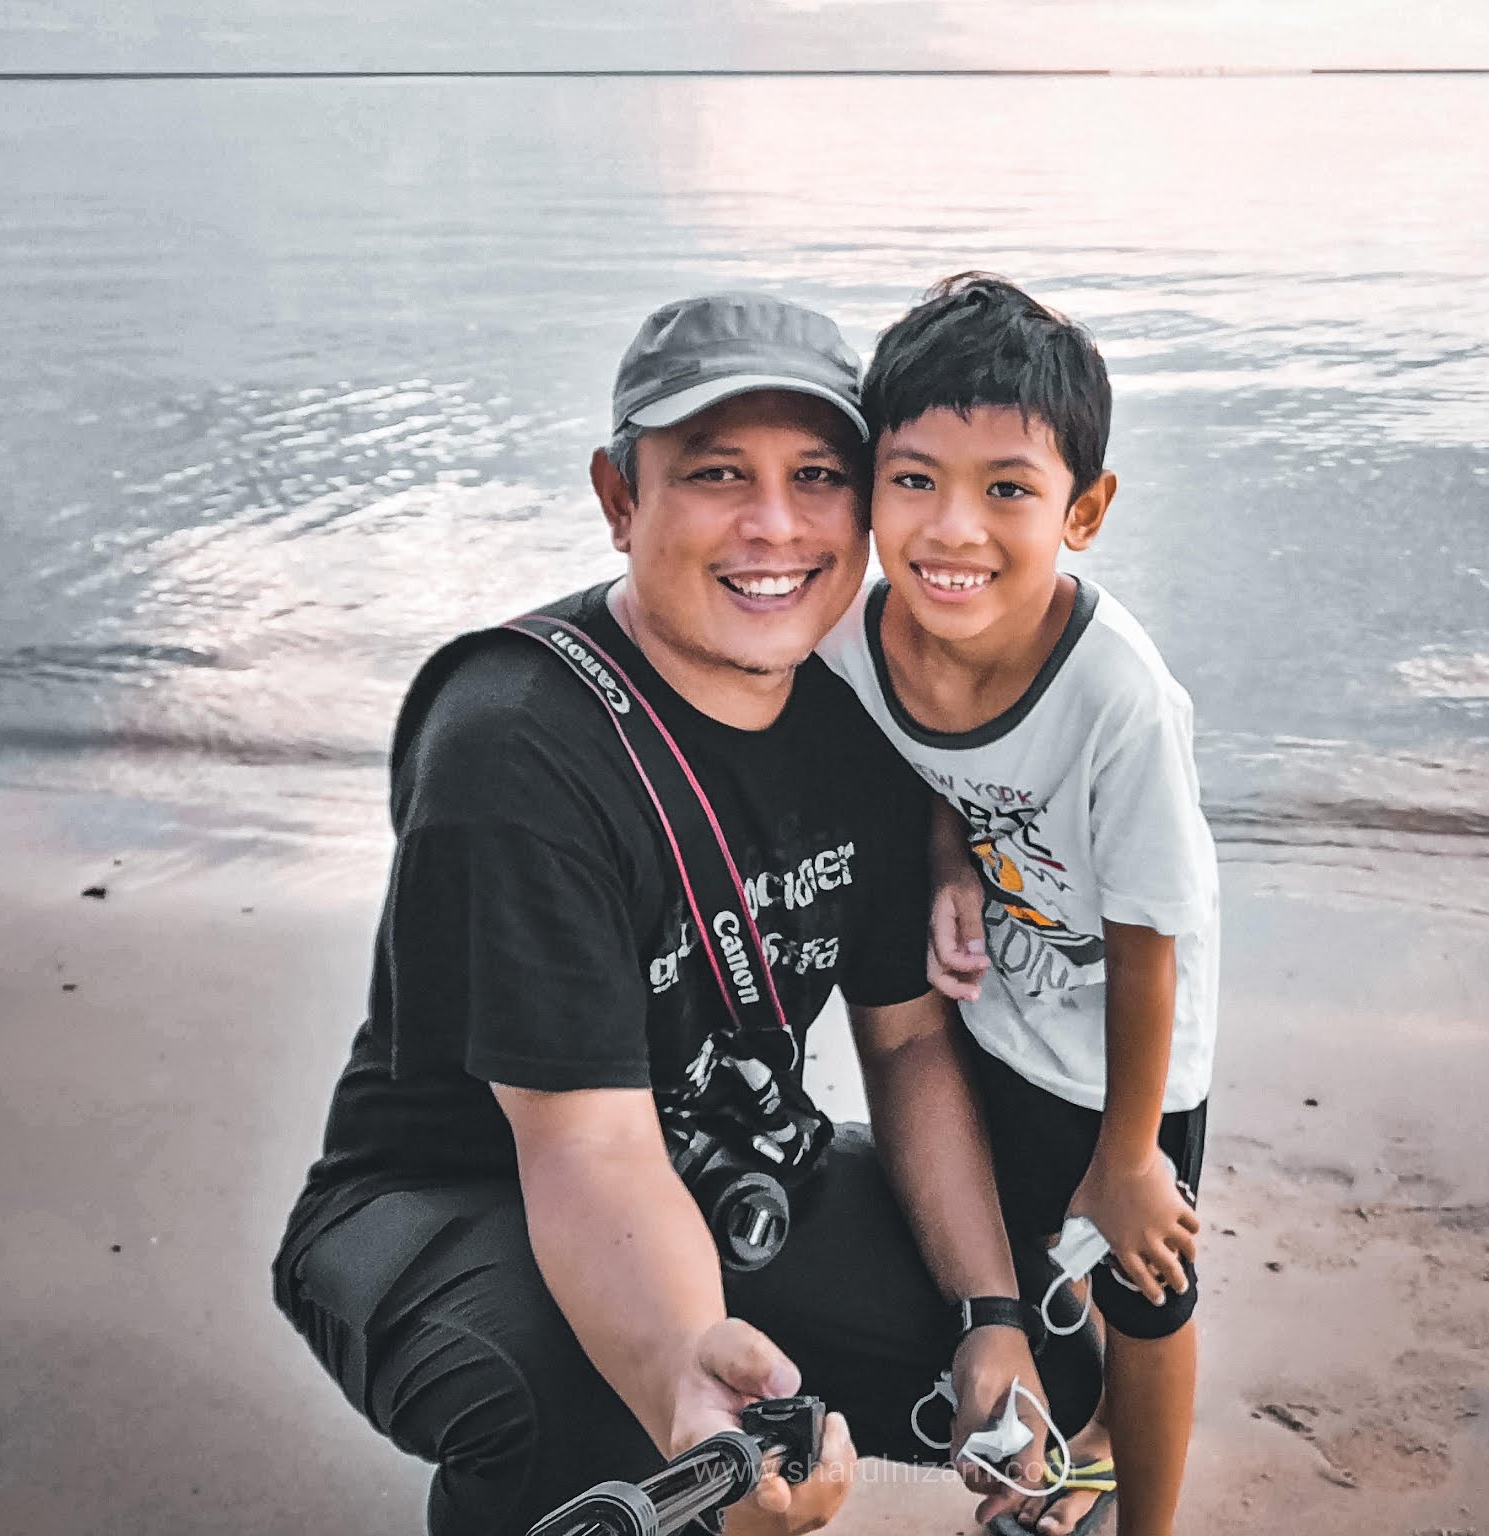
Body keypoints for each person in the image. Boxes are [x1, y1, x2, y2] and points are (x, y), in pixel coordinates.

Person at [271, 292, 1098, 1536]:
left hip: (714, 1169)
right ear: (618, 497)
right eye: (716, 474)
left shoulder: (858, 729)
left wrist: (989, 1320)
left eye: (819, 475)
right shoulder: (513, 746)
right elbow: (585, 1151)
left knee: (1048, 1322)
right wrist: (680, 1386)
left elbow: (909, 1040)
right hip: (444, 1199)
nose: (773, 525)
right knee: (579, 1410)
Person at [817, 275, 1220, 1536]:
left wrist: (1131, 1150)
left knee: (1141, 1292)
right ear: (868, 485)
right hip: (995, 1018)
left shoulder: (1117, 699)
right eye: (915, 478)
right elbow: (930, 767)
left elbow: (1155, 937)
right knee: (1024, 1268)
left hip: (1131, 1053)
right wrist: (946, 861)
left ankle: (1143, 1518)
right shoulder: (857, 639)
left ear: (1083, 512)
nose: (952, 529)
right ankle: (1062, 1451)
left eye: (1007, 489)